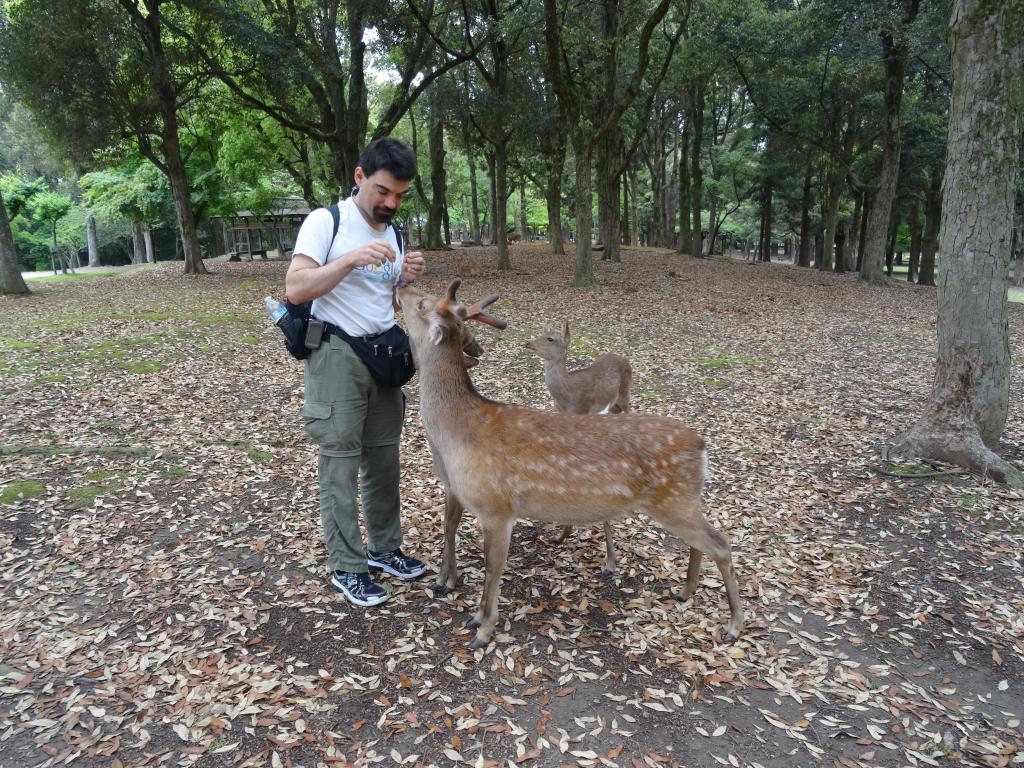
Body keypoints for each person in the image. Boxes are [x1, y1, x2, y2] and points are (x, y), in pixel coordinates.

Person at [285, 137, 427, 607]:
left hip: (385, 355)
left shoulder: (395, 232)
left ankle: (385, 550)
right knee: (340, 464)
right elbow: (297, 287)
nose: (391, 204)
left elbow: (382, 295)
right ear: (360, 176)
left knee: (384, 462)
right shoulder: (325, 222)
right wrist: (347, 259)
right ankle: (347, 568)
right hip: (336, 355)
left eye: (400, 196)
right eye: (384, 191)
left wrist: (404, 276)